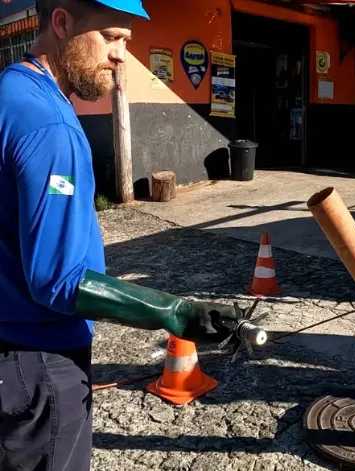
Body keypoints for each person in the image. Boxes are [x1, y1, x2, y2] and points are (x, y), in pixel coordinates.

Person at [0, 1, 243, 469]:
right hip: (40, 362)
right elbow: (57, 279)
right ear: (62, 22)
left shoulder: (10, 92)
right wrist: (175, 311)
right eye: (111, 36)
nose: (120, 55)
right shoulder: (50, 125)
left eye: (126, 42)